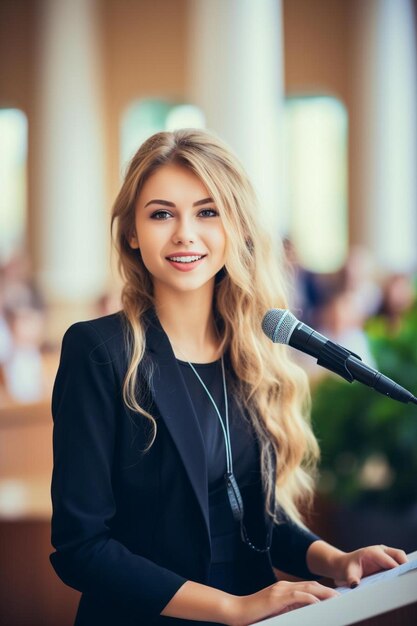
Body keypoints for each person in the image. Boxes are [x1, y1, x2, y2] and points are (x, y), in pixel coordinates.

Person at [50, 129, 407, 626]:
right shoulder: (99, 350)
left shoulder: (253, 348)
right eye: (161, 213)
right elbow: (80, 548)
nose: (184, 234)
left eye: (207, 211)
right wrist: (230, 608)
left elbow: (252, 516)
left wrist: (336, 560)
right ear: (132, 231)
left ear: (236, 227)